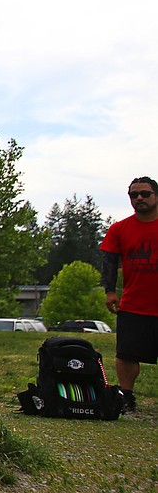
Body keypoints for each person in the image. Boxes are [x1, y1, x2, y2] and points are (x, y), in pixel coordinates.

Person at [100, 175, 158, 414]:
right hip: (134, 304)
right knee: (126, 354)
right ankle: (127, 397)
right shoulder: (119, 229)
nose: (139, 198)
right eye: (134, 195)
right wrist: (110, 292)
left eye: (145, 194)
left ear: (156, 196)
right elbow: (109, 261)